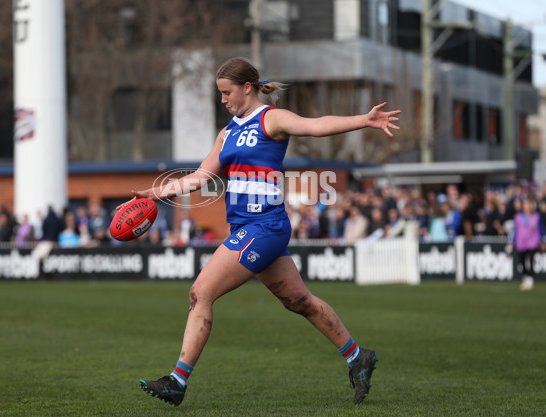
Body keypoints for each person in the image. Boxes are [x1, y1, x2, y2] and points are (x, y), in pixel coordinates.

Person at [120, 57, 400, 407]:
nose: (223, 100)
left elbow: (316, 126)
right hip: (247, 228)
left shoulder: (271, 118)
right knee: (299, 302)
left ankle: (177, 380)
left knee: (201, 292)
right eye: (220, 94)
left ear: (247, 88)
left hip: (264, 226)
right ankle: (358, 357)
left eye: (227, 93)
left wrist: (364, 120)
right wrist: (157, 192)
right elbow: (203, 176)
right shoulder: (228, 132)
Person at [508, 197, 546, 291]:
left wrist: (543, 241)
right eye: (525, 204)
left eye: (529, 204)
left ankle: (530, 279)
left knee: (531, 261)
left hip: (533, 242)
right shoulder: (518, 217)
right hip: (521, 243)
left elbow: (541, 230)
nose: (527, 207)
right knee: (522, 261)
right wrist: (511, 242)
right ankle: (525, 277)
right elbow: (515, 231)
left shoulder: (536, 216)